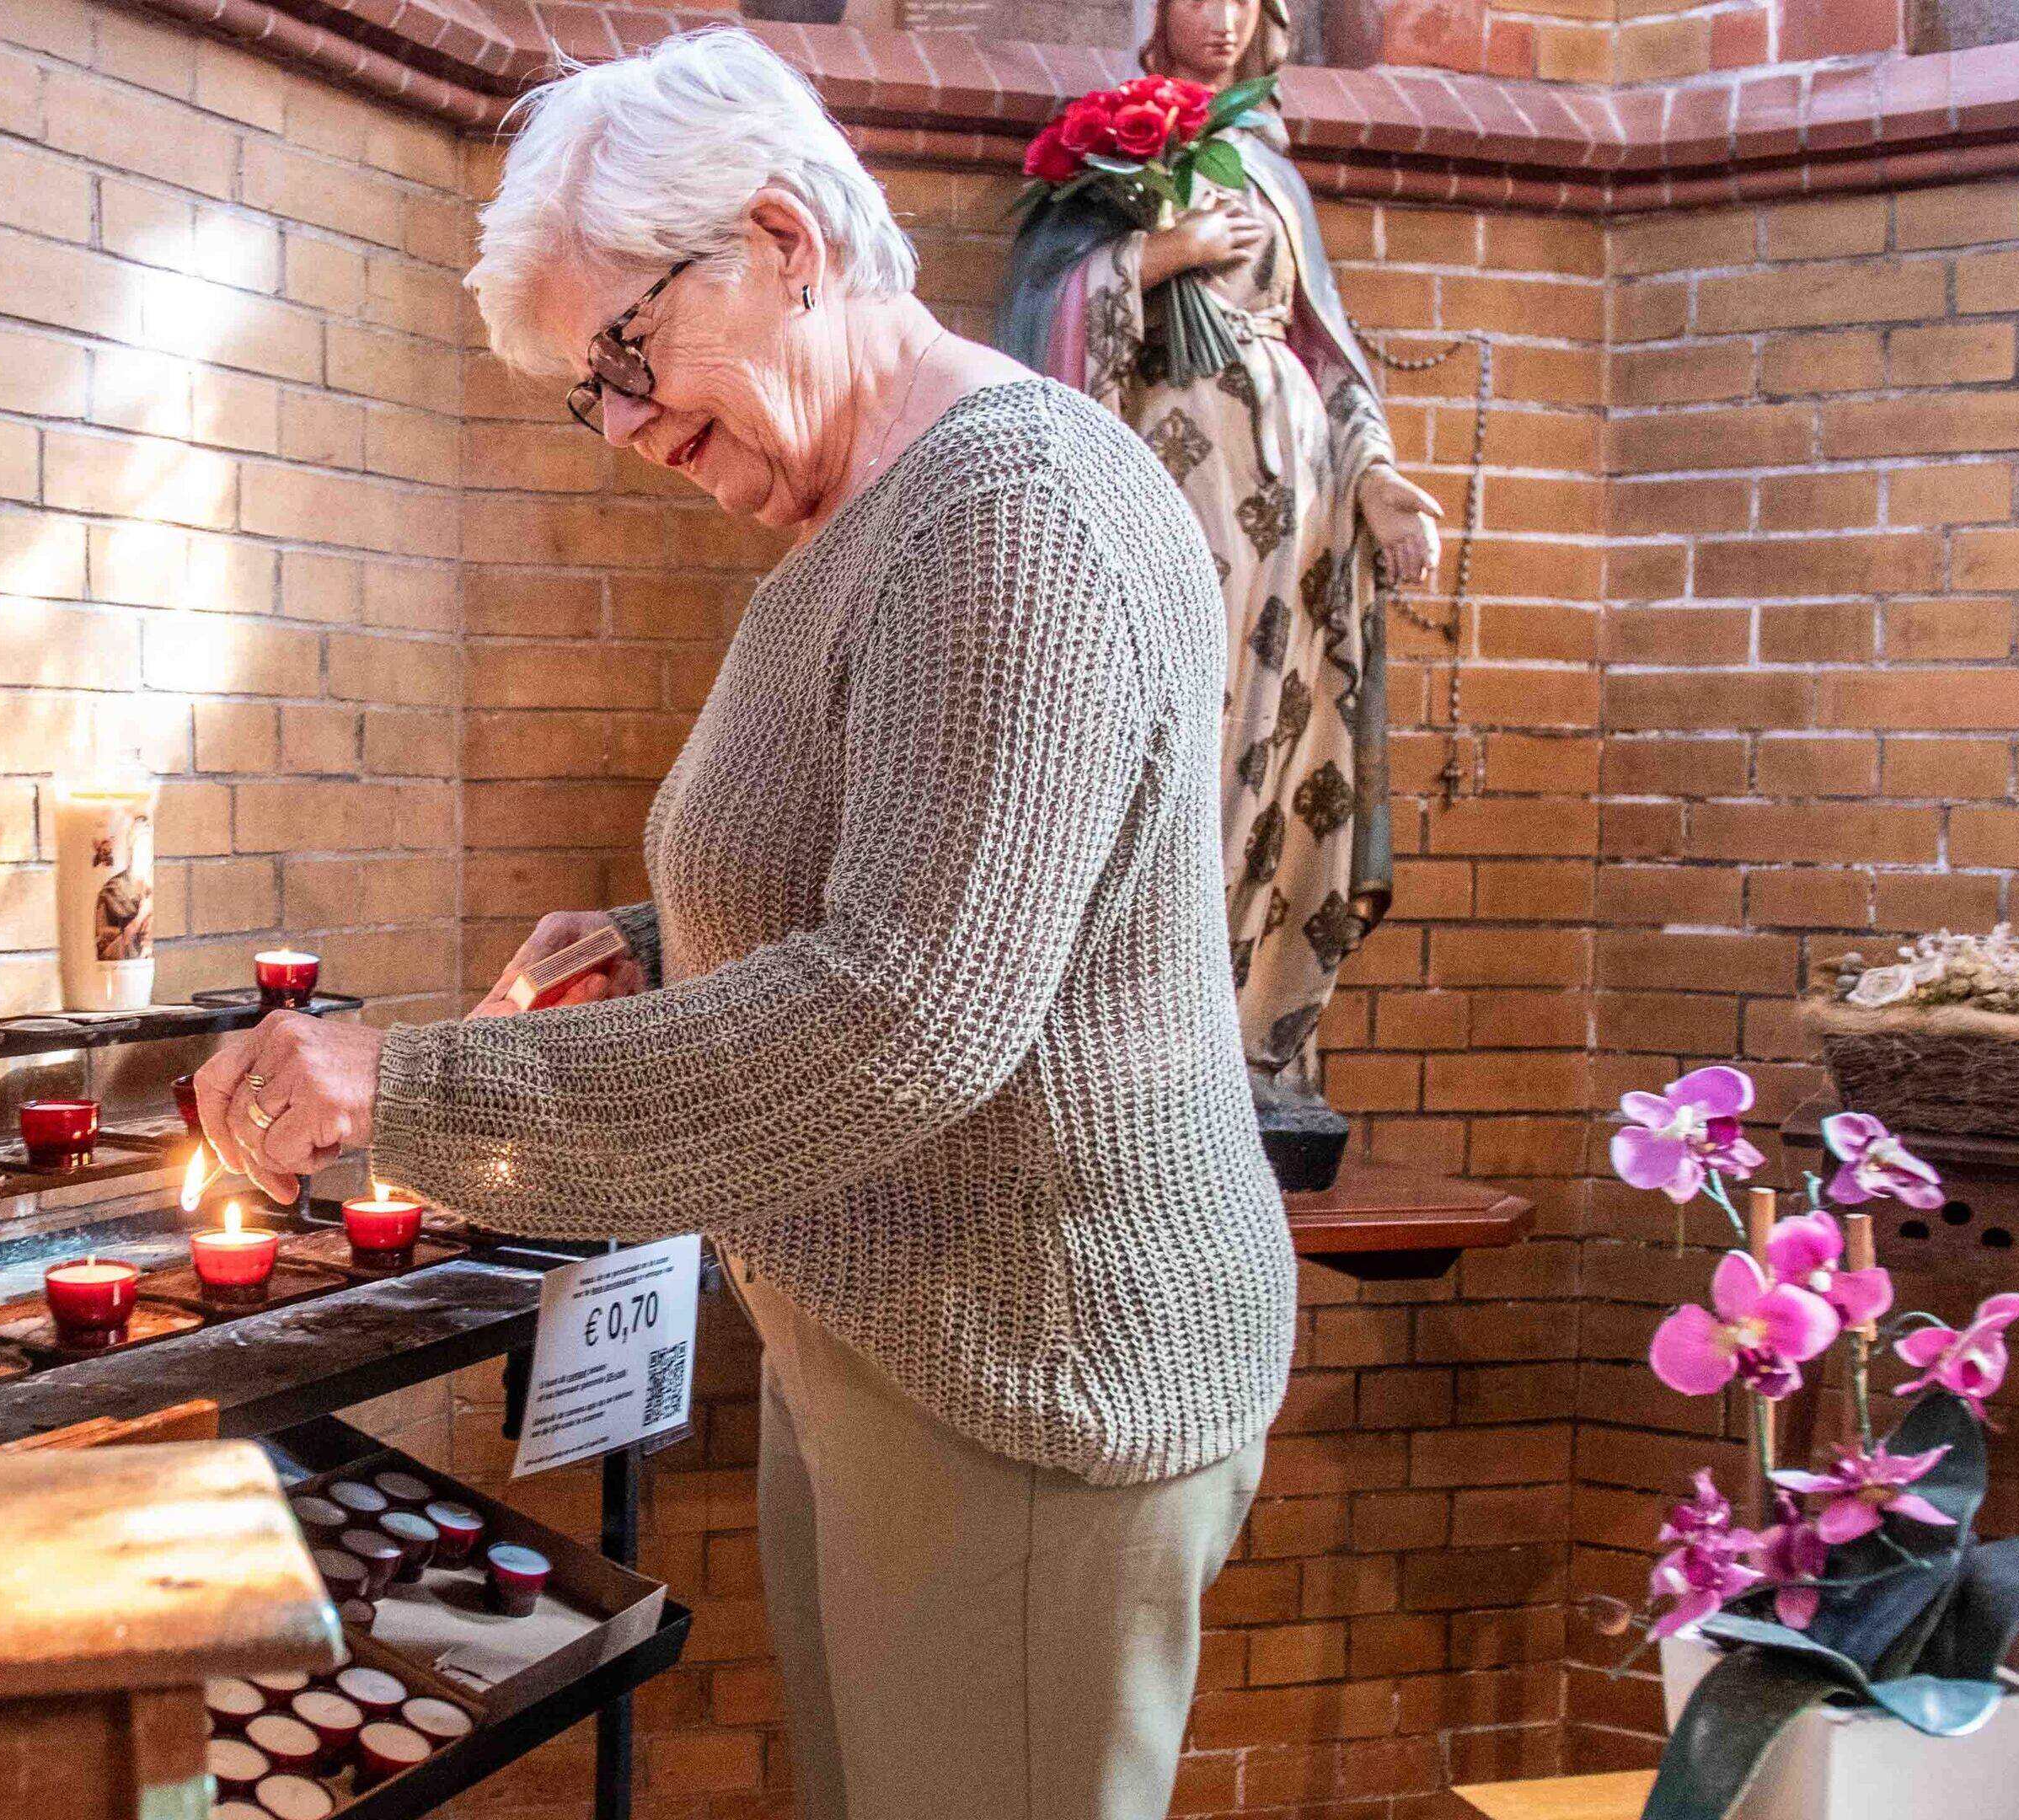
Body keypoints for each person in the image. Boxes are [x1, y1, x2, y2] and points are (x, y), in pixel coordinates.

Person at [194, 29, 1293, 1820]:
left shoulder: (1010, 513)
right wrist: (658, 937)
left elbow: (907, 1014)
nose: (625, 427)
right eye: (590, 391)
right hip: (888, 1331)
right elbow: (921, 867)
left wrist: (406, 1087)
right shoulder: (869, 517)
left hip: (1034, 1367)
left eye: (624, 356)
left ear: (784, 240)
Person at [998, 0, 1443, 1086]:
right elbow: (1037, 323)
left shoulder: (1273, 172)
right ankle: (1137, 1030)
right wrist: (1162, 254)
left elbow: (1326, 353)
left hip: (1302, 521)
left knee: (1277, 741)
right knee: (1177, 734)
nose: (1226, 18)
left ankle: (1237, 1027)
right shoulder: (1101, 152)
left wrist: (1379, 480)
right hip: (1174, 493)